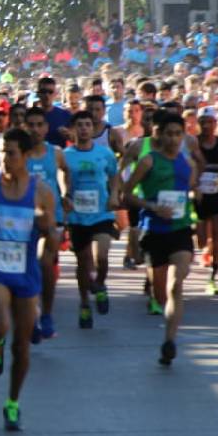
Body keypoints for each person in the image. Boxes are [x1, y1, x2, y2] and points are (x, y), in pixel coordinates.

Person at [0, 128, 59, 431]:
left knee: (21, 347)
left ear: (27, 156)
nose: (5, 157)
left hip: (26, 270)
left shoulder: (41, 191)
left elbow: (51, 232)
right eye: (2, 151)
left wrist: (46, 235)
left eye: (12, 152)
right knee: (2, 324)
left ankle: (13, 402)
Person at [123, 111, 199, 366]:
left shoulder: (187, 163)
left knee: (176, 284)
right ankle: (165, 319)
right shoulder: (148, 161)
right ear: (160, 135)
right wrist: (153, 206)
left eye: (179, 133)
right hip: (154, 230)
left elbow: (188, 190)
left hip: (180, 228)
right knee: (160, 294)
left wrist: (189, 202)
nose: (174, 138)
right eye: (170, 133)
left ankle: (170, 339)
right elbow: (127, 195)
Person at [62, 110, 120, 326]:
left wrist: (114, 194)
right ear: (73, 129)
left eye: (88, 124)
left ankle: (101, 284)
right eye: (80, 125)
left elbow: (114, 175)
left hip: (101, 212)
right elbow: (62, 179)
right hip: (78, 216)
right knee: (83, 263)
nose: (84, 128)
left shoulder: (104, 153)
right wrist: (64, 196)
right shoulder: (66, 155)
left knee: (101, 256)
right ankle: (85, 303)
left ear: (93, 129)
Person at [22, 107, 69, 340]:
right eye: (31, 124)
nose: (35, 129)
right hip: (24, 219)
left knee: (45, 261)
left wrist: (66, 193)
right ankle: (32, 315)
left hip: (52, 217)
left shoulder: (56, 152)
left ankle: (47, 314)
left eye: (40, 124)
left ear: (46, 127)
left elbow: (64, 173)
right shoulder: (18, 155)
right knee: (29, 269)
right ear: (24, 127)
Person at [193, 107, 218, 294]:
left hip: (217, 193)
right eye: (203, 122)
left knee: (217, 235)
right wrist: (194, 186)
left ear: (216, 124)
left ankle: (214, 272)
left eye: (210, 122)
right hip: (199, 193)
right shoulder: (194, 143)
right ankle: (204, 251)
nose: (206, 126)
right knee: (201, 238)